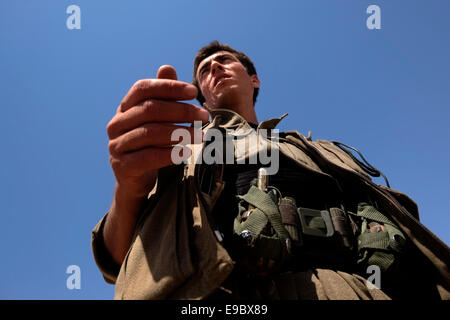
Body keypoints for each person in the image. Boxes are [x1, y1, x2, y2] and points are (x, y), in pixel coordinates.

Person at [92, 41, 450, 300]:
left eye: (225, 61)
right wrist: (129, 186)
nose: (215, 68)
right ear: (200, 94)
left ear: (254, 80)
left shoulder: (320, 150)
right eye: (205, 70)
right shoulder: (179, 149)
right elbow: (118, 258)